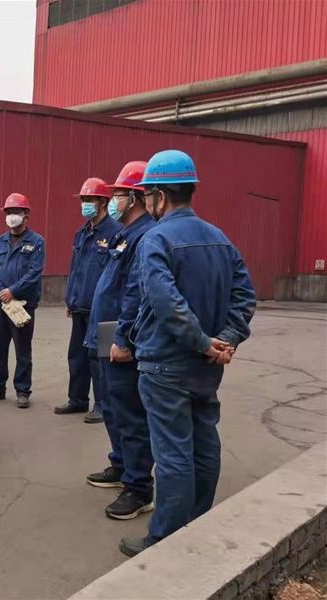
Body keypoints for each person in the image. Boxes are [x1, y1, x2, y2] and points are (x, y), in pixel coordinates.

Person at [119, 150, 256, 557]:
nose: (146, 203)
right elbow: (245, 297)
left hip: (166, 364)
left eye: (147, 195)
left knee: (174, 452)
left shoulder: (155, 239)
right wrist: (223, 340)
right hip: (206, 366)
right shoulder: (220, 238)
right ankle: (197, 523)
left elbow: (165, 301)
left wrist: (202, 341)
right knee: (204, 444)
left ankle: (165, 537)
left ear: (160, 196)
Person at [83, 161, 156, 521]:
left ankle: (139, 487)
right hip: (105, 330)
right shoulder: (125, 234)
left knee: (129, 412)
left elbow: (135, 293)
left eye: (118, 194)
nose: (113, 200)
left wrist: (124, 339)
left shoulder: (145, 236)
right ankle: (122, 464)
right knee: (111, 406)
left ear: (135, 197)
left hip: (120, 333)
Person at [55, 178, 122, 424]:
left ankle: (102, 405)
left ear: (103, 202)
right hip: (80, 306)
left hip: (101, 309)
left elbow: (115, 274)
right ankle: (77, 399)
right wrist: (70, 299)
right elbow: (76, 269)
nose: (85, 204)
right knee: (77, 355)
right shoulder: (82, 233)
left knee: (99, 357)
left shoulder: (115, 232)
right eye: (83, 199)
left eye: (89, 199)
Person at [0, 193, 46, 409]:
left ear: (26, 215)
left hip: (23, 304)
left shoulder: (37, 242)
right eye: (9, 212)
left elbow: (34, 273)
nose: (12, 216)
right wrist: (2, 292)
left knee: (23, 349)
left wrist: (12, 291)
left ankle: (22, 390)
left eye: (16, 212)